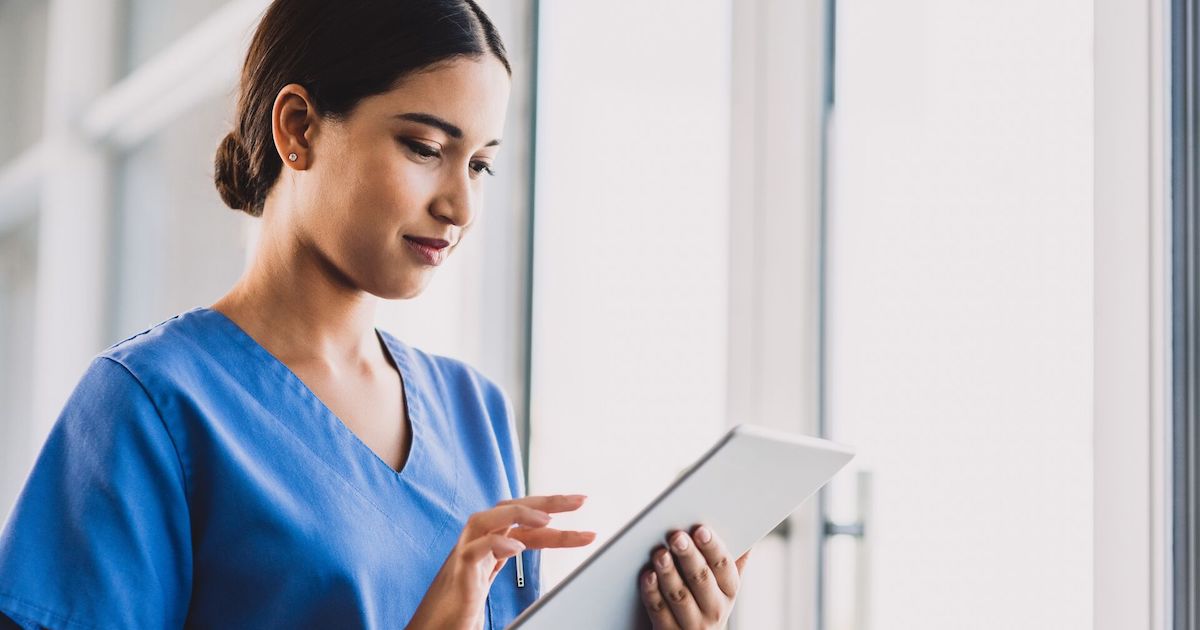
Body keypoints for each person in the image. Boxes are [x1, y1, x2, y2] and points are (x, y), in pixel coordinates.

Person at [0, 1, 749, 628]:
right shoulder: (151, 406)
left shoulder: (472, 411)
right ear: (297, 129)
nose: (459, 205)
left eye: (481, 164)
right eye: (425, 147)